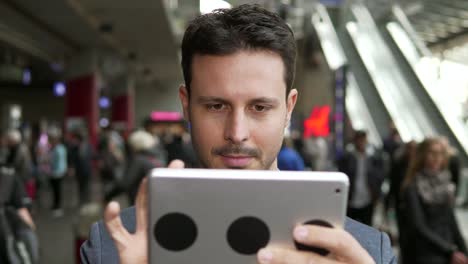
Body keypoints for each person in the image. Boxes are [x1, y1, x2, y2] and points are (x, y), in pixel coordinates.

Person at [81, 4, 395, 264]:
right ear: (186, 105)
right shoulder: (114, 246)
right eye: (216, 106)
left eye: (259, 107)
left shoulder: (364, 253)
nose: (237, 133)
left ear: (288, 108)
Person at [400, 137, 467, 264]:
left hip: (447, 250)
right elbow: (418, 227)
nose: (437, 157)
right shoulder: (412, 186)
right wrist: (450, 251)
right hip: (425, 253)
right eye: (432, 153)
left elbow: (451, 221)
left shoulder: (446, 184)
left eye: (441, 153)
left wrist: (463, 250)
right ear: (422, 156)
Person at [338, 130, 385, 226]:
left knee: (367, 227)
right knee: (350, 227)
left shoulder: (373, 157)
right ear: (355, 141)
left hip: (367, 198)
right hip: (351, 199)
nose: (362, 143)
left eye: (363, 140)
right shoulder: (347, 157)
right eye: (359, 140)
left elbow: (379, 176)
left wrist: (376, 193)